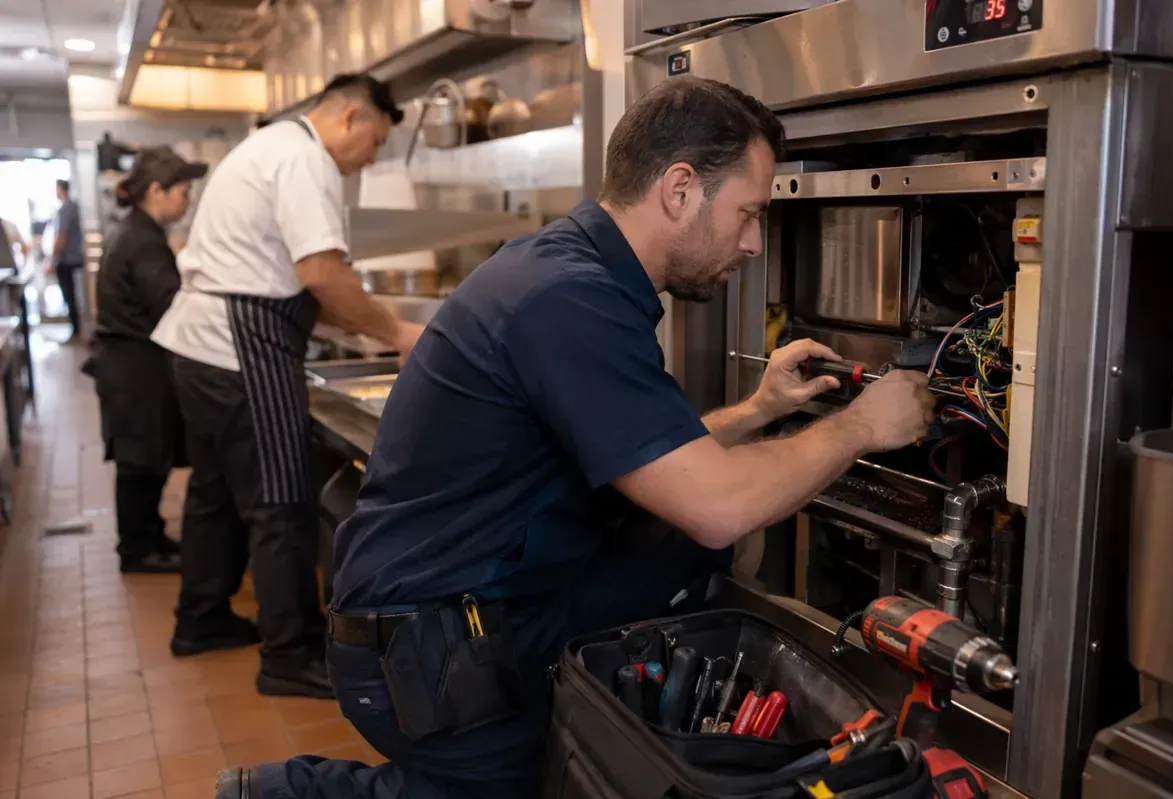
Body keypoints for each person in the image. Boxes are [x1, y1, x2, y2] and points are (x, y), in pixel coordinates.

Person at [214, 76, 936, 799]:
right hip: (429, 652)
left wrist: (756, 409)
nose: (752, 242)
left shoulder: (571, 272)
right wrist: (864, 425)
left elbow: (649, 457)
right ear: (680, 189)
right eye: (748, 213)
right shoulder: (569, 300)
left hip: (459, 618)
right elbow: (716, 505)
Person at [151, 73, 424, 695]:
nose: (371, 158)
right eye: (376, 142)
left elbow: (299, 283)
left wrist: (373, 329)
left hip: (200, 351)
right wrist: (396, 332)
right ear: (351, 117)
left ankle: (201, 619)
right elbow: (322, 275)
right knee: (281, 501)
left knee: (215, 494)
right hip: (239, 350)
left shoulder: (268, 146)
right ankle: (289, 654)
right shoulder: (304, 159)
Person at [86, 147, 209, 575]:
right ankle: (137, 549)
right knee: (140, 461)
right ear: (156, 190)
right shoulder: (142, 240)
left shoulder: (139, 232)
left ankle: (149, 535)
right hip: (135, 368)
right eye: (183, 192)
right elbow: (170, 305)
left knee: (147, 457)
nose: (187, 201)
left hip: (131, 364)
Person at [51, 179, 85, 339]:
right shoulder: (74, 206)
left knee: (69, 295)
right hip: (74, 257)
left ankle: (75, 330)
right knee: (72, 295)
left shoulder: (65, 208)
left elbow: (61, 236)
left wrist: (53, 259)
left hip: (66, 259)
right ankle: (76, 328)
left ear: (61, 189)